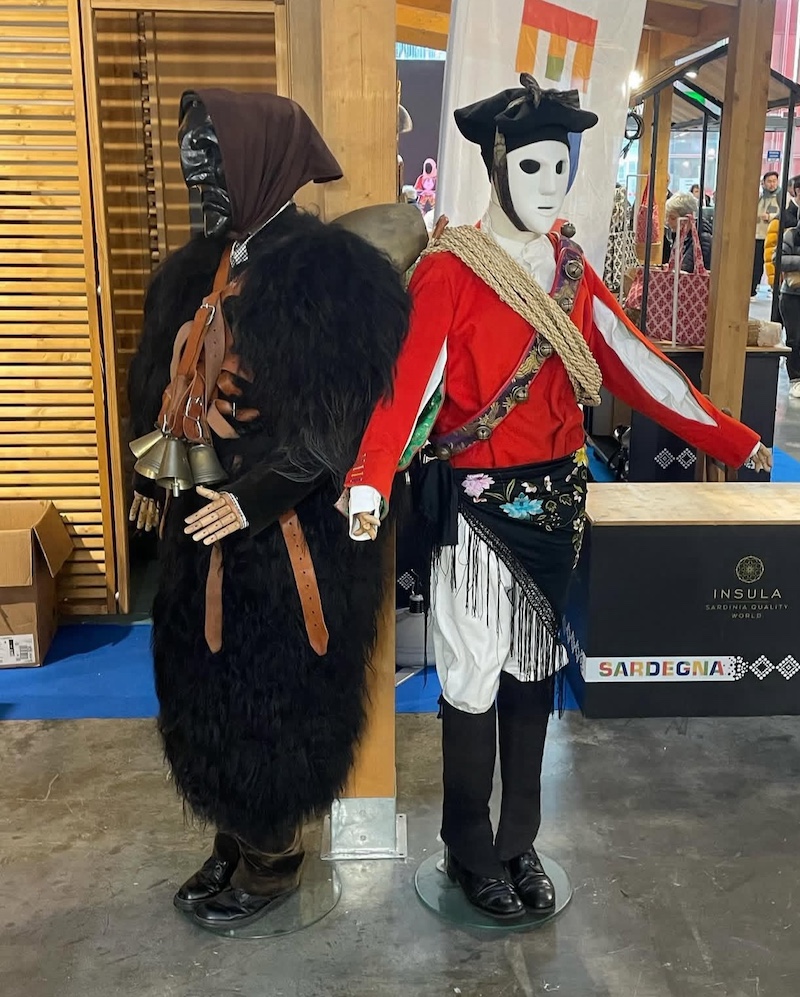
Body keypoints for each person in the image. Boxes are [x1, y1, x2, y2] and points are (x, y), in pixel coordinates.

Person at [342, 75, 772, 921]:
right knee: (471, 678)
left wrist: (730, 436)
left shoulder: (573, 273)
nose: (549, 185)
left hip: (557, 508)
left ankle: (518, 842)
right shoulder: (450, 273)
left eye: (561, 167)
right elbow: (406, 385)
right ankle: (469, 848)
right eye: (532, 167)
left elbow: (637, 363)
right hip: (475, 510)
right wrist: (368, 476)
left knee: (533, 676)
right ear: (498, 165)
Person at [127, 89, 412, 932]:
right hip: (204, 536)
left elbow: (335, 430)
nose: (198, 185)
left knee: (272, 699)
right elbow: (165, 392)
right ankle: (234, 834)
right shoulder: (195, 272)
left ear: (261, 164)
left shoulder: (333, 279)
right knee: (205, 691)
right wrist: (155, 475)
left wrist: (249, 501)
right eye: (192, 169)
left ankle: (274, 854)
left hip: (290, 546)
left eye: (212, 166)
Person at [775, 220, 800, 398]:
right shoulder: (791, 235)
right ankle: (795, 379)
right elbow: (778, 259)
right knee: (795, 339)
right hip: (792, 295)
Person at [664, 191, 712, 272]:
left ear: (687, 217)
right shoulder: (683, 237)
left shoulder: (702, 239)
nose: (668, 222)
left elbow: (689, 269)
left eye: (672, 218)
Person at [754, 171, 781, 298]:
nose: (772, 184)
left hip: (772, 237)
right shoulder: (760, 197)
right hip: (758, 235)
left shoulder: (781, 196)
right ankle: (752, 289)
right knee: (756, 264)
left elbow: (785, 214)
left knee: (772, 265)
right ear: (763, 183)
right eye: (769, 181)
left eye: (774, 181)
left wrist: (770, 217)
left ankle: (775, 289)